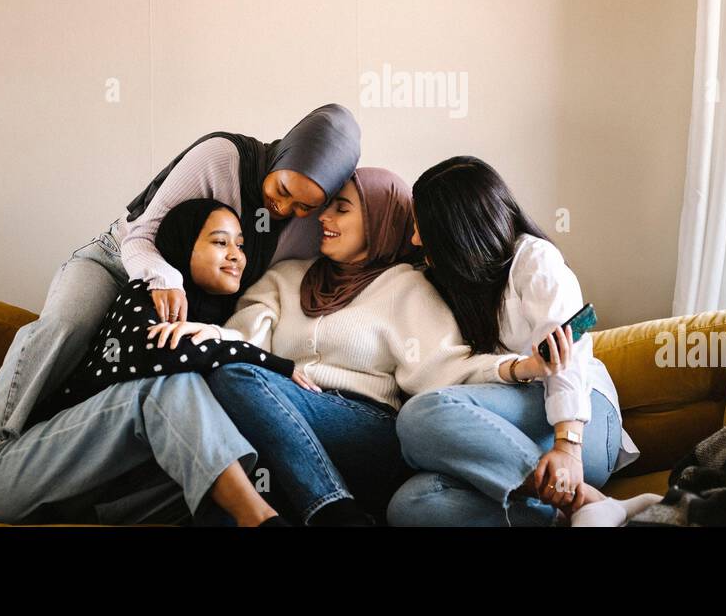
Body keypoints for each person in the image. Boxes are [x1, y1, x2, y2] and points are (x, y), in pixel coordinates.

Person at [0, 104, 360, 522]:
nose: (285, 209)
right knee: (65, 326)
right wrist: (165, 284)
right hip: (122, 260)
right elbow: (143, 235)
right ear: (283, 154)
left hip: (192, 293)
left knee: (202, 395)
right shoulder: (222, 157)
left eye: (305, 207)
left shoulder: (301, 223)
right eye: (282, 191)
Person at [185, 167, 569, 525]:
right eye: (326, 208)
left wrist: (515, 368)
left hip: (368, 430)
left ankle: (334, 513)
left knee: (239, 380)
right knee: (230, 378)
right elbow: (244, 343)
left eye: (342, 209)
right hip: (285, 412)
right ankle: (331, 508)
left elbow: (444, 370)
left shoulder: (406, 286)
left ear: (378, 219)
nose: (323, 218)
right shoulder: (285, 277)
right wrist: (209, 336)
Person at [0, 199, 291, 526]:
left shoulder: (211, 323)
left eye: (240, 245)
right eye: (220, 242)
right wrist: (283, 367)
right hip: (9, 480)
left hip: (99, 502)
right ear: (184, 244)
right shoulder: (142, 295)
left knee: (231, 421)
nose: (236, 254)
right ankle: (259, 519)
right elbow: (159, 357)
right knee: (168, 383)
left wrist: (222, 338)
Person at [385, 155, 641, 527]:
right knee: (410, 504)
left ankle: (576, 492)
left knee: (419, 416)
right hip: (516, 437)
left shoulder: (535, 259)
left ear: (457, 230)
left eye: (422, 227)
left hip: (582, 422)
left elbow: (565, 359)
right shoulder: (456, 287)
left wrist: (568, 448)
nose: (414, 239)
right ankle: (569, 512)